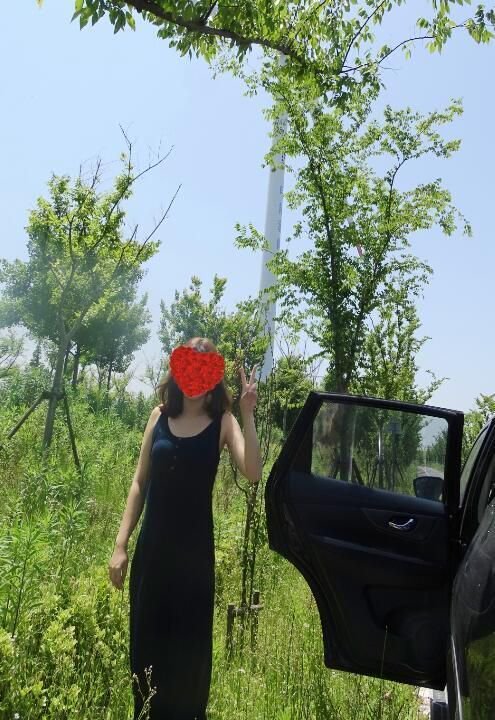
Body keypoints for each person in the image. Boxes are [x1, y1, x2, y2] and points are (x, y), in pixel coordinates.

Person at [108, 336, 262, 719]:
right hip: (153, 556)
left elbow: (253, 471)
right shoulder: (158, 416)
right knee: (146, 650)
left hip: (194, 563)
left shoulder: (223, 422)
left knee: (188, 657)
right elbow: (139, 482)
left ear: (214, 377)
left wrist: (247, 413)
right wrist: (121, 544)